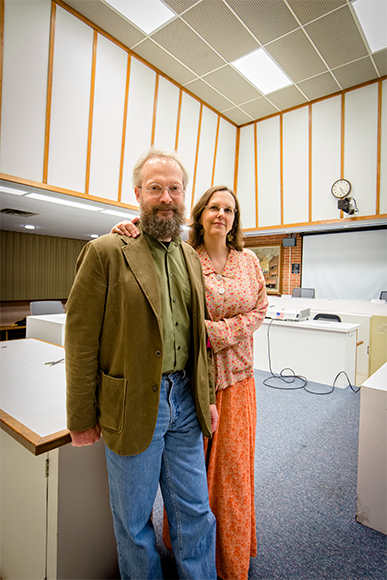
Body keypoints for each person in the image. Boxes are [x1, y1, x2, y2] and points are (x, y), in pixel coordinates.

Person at [65, 148, 218, 580]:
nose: (166, 197)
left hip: (185, 401)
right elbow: (80, 342)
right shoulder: (107, 251)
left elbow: (196, 337)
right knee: (134, 525)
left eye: (174, 188)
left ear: (184, 194)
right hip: (130, 403)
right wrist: (81, 415)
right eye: (155, 188)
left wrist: (204, 397)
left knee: (196, 512)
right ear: (137, 193)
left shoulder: (190, 257)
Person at [111, 185, 269, 580]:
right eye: (214, 207)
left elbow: (260, 309)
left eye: (230, 209)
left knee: (232, 476)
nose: (222, 215)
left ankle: (228, 560)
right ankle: (188, 550)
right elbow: (169, 311)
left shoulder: (248, 260)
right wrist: (125, 229)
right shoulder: (183, 258)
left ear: (236, 218)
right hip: (191, 384)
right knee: (190, 482)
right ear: (198, 215)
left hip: (238, 383)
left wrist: (216, 332)